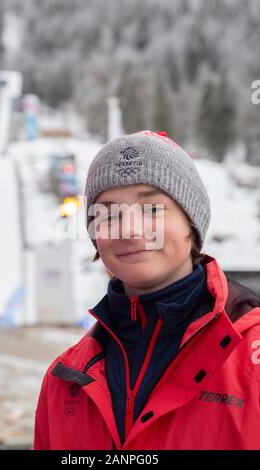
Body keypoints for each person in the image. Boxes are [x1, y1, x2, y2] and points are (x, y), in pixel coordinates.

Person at [34, 130, 260, 450]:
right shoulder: (64, 381)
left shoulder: (251, 356)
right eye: (109, 214)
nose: (129, 229)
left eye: (152, 209)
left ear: (191, 224)